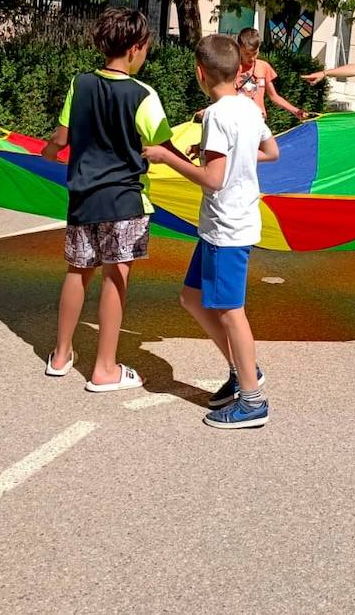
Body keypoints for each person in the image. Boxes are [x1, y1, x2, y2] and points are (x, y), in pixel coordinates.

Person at [41, 7, 181, 393]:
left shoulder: (80, 83)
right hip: (124, 201)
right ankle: (104, 369)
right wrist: (196, 170)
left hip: (83, 198)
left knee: (77, 271)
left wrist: (46, 153)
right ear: (135, 48)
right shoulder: (143, 95)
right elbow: (164, 147)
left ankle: (60, 355)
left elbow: (60, 139)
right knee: (116, 276)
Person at [144, 34, 280, 429]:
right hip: (224, 225)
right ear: (239, 72)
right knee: (191, 298)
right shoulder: (248, 108)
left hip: (227, 228)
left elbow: (213, 180)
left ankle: (252, 401)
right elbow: (271, 152)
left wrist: (167, 157)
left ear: (199, 73)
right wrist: (213, 154)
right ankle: (242, 369)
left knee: (231, 312)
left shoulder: (217, 116)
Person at [234, 28, 310, 122]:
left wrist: (295, 111)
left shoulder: (264, 67)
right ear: (239, 49)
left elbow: (274, 96)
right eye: (247, 54)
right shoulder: (232, 68)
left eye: (255, 53)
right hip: (237, 120)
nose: (252, 58)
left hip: (258, 120)